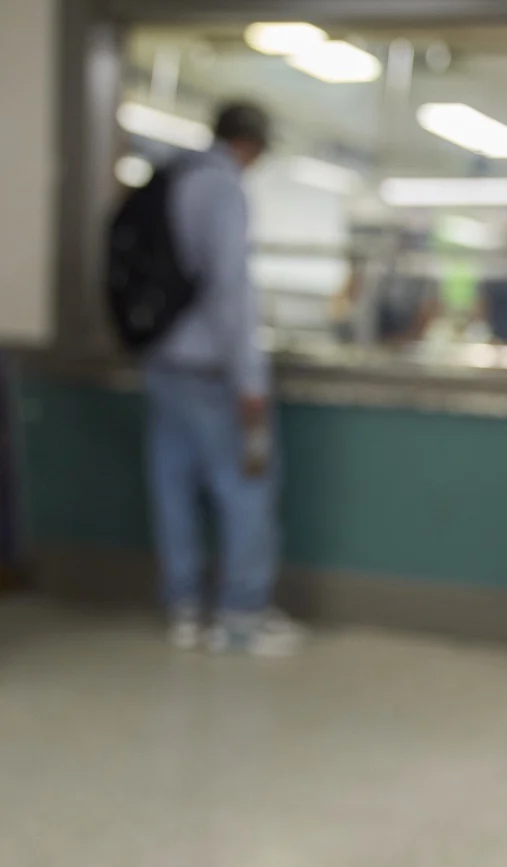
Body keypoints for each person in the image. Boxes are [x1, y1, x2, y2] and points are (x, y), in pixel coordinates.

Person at [144, 102, 302, 656]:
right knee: (246, 486)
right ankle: (241, 615)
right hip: (214, 370)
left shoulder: (171, 176)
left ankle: (183, 608)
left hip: (164, 362)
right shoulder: (223, 188)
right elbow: (230, 292)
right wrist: (251, 380)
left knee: (174, 487)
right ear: (251, 144)